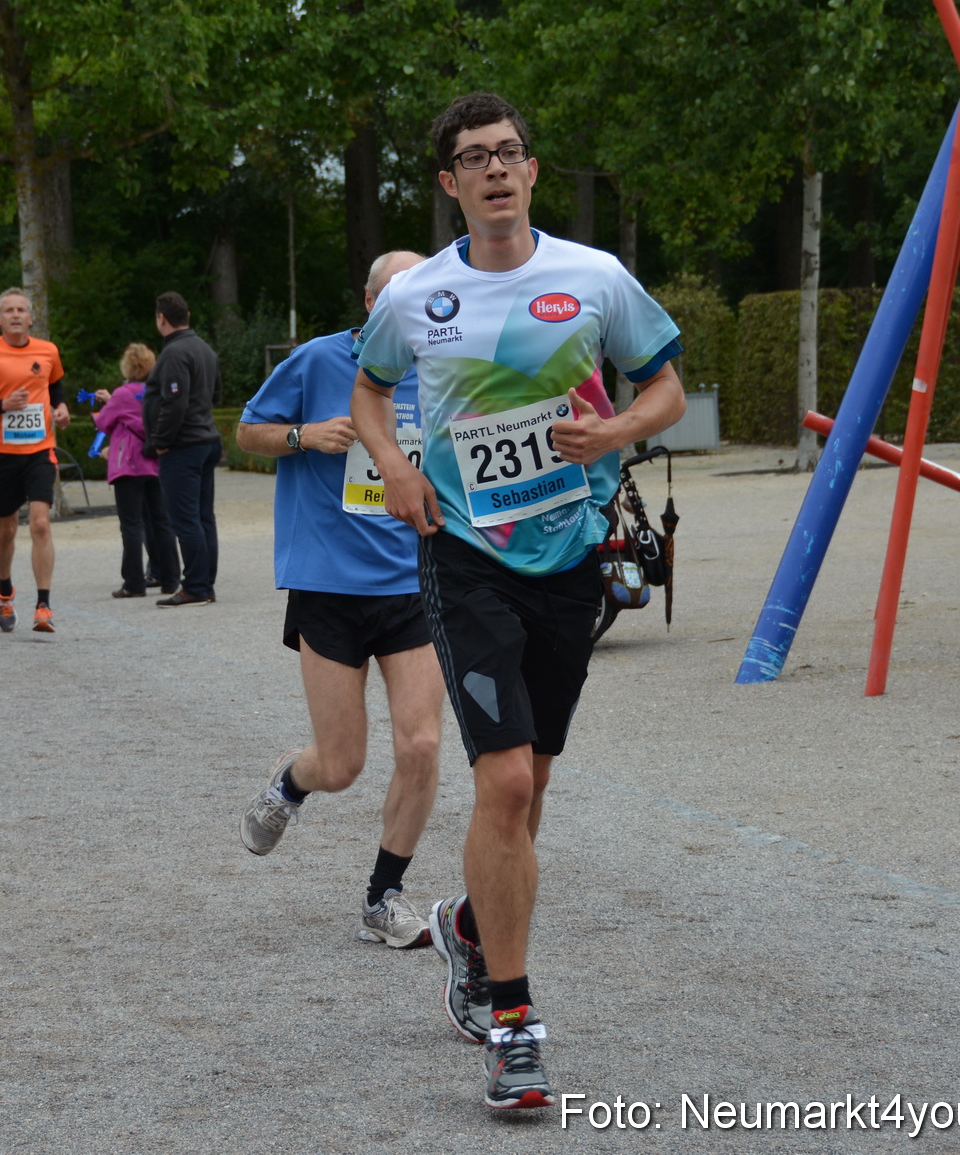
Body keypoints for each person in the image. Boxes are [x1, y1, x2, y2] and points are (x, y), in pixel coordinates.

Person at [350, 93, 686, 1113]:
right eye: (473, 159)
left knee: (529, 788)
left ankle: (465, 927)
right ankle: (514, 1024)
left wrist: (619, 428)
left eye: (509, 153)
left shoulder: (594, 279)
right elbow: (369, 392)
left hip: (569, 555)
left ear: (531, 172)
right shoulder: (416, 299)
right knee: (500, 785)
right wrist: (395, 468)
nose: (495, 170)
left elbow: (665, 385)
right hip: (465, 559)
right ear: (449, 186)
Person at [236, 248, 445, 950]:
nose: (409, 309)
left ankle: (383, 896)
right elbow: (245, 431)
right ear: (369, 303)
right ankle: (292, 783)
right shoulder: (318, 361)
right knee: (343, 762)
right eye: (396, 297)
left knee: (420, 741)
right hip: (328, 583)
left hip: (413, 583)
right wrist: (303, 436)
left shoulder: (450, 371)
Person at [0, 287, 70, 633]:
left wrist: (61, 408)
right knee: (6, 529)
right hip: (1, 454)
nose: (16, 315)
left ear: (31, 318)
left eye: (22, 309)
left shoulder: (47, 350)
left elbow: (56, 386)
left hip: (39, 450)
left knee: (39, 523)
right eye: (9, 310)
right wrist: (1, 406)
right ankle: (5, 591)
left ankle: (44, 606)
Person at [143, 291, 222, 607]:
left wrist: (161, 441)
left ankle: (197, 587)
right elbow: (215, 396)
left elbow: (174, 402)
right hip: (206, 439)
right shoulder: (205, 349)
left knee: (185, 519)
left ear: (161, 318)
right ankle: (205, 584)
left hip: (183, 445)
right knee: (203, 517)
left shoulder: (174, 353)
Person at [93, 342, 178, 598]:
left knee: (131, 525)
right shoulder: (157, 392)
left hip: (128, 464)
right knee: (162, 522)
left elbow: (104, 422)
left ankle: (133, 583)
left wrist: (98, 414)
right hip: (154, 463)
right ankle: (170, 579)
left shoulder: (122, 393)